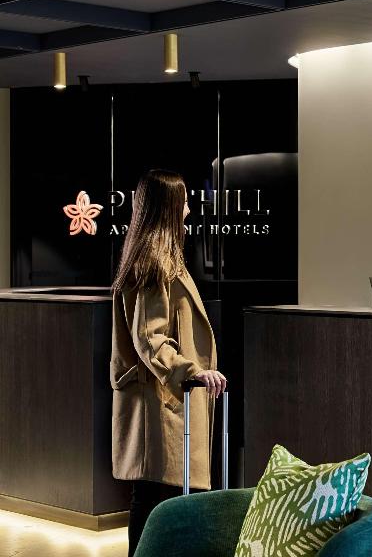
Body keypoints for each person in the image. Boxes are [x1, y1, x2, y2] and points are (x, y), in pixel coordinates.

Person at [109, 169, 226, 557]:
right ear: (169, 208)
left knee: (155, 496)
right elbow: (150, 338)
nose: (190, 209)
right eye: (185, 202)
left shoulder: (158, 261)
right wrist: (191, 373)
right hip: (161, 403)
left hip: (162, 402)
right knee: (156, 497)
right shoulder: (154, 265)